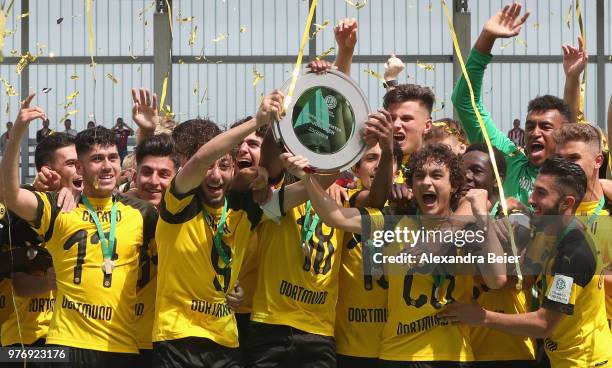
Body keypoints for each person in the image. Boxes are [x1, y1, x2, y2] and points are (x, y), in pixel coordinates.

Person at [292, 143, 507, 367]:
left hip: (451, 356)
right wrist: (308, 178)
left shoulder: (469, 229)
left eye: (436, 175)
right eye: (419, 176)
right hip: (397, 355)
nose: (426, 182)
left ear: (453, 185)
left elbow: (497, 279)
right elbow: (335, 217)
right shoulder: (393, 222)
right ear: (411, 185)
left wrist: (482, 216)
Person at [0, 93, 158, 366]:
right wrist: (16, 137)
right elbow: (11, 196)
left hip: (122, 346)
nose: (107, 165)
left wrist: (146, 131)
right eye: (97, 159)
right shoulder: (59, 208)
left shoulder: (140, 213)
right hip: (61, 345)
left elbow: (155, 183)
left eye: (112, 157)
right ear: (81, 169)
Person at [440, 158, 612, 368]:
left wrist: (481, 317)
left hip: (587, 363)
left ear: (567, 203)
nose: (530, 199)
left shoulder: (574, 253)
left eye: (541, 193)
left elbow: (543, 324)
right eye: (534, 190)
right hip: (559, 359)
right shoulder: (547, 232)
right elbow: (521, 279)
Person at [151, 89, 279, 367]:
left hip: (227, 341)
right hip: (178, 339)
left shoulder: (244, 209)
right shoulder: (178, 204)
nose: (215, 174)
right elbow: (200, 160)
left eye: (224, 165)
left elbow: (299, 193)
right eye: (210, 165)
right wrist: (256, 120)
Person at [452, 3, 572, 205]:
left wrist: (573, 79)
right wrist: (487, 38)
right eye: (530, 125)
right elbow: (465, 101)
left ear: (565, 133)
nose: (534, 132)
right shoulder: (510, 159)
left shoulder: (573, 178)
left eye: (545, 126)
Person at [0, 133, 82, 354]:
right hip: (27, 339)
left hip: (75, 337)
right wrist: (48, 282)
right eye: (72, 163)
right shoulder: (25, 214)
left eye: (80, 161)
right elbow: (17, 283)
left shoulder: (90, 207)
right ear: (48, 170)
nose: (79, 168)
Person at [459, 143, 537, 367]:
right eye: (462, 169)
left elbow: (517, 275)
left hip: (511, 350)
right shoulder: (452, 216)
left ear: (498, 180)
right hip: (463, 349)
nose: (467, 176)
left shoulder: (515, 216)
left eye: (476, 170)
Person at [553, 123, 612, 332]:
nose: (563, 167)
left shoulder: (609, 209)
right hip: (566, 343)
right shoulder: (551, 214)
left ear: (598, 161)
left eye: (573, 159)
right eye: (559, 159)